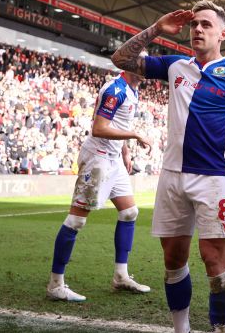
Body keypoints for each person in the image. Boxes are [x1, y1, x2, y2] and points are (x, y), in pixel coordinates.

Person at [111, 1, 225, 333]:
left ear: (222, 34)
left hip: (213, 181)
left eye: (206, 24)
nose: (197, 29)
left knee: (216, 264)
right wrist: (158, 27)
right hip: (172, 178)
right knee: (173, 260)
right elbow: (120, 57)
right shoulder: (175, 66)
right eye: (194, 24)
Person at [46, 69, 154, 303]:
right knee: (76, 220)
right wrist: (135, 135)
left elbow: (117, 122)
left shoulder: (132, 90)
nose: (146, 66)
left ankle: (121, 276)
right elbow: (99, 128)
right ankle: (56, 284)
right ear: (130, 64)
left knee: (129, 212)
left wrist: (125, 150)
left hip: (113, 158)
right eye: (142, 61)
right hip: (99, 158)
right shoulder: (115, 90)